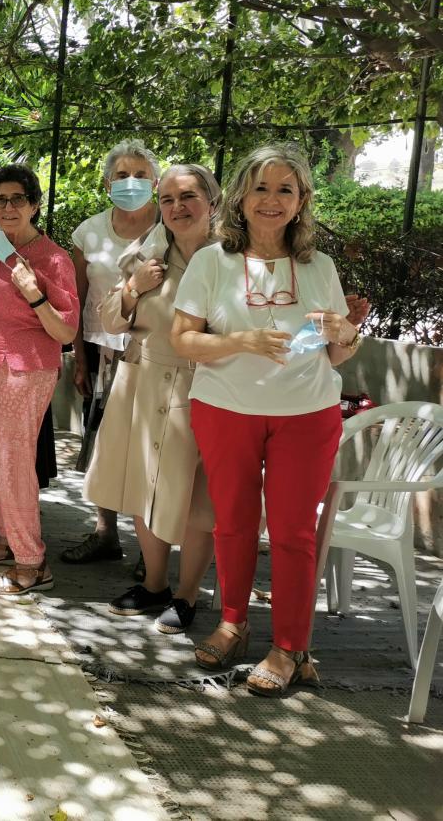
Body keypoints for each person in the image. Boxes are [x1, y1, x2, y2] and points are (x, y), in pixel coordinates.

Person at [172, 143, 362, 696]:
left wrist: (346, 334)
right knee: (232, 523)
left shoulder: (319, 266)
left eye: (285, 189)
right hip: (225, 409)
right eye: (261, 187)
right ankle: (233, 622)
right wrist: (241, 341)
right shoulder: (212, 261)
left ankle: (291, 648)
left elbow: (335, 353)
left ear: (302, 200)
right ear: (241, 197)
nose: (271, 199)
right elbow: (182, 340)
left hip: (306, 415)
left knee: (293, 533)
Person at [83, 164, 220, 634]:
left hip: (205, 385)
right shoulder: (147, 253)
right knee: (144, 486)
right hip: (143, 380)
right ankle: (155, 584)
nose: (177, 207)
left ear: (212, 202)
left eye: (188, 197)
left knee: (197, 498)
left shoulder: (232, 258)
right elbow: (111, 320)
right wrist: (132, 288)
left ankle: (188, 594)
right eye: (167, 199)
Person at [0, 164, 79, 594]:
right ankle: (8, 539)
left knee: (13, 461)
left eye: (17, 199)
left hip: (24, 367)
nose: (8, 207)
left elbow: (66, 331)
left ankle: (31, 563)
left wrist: (34, 292)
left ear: (34, 205)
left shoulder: (54, 259)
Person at [63, 139, 162, 566]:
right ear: (107, 183)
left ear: (155, 183)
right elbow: (77, 298)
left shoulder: (171, 227)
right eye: (121, 175)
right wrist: (79, 359)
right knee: (103, 443)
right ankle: (105, 532)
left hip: (155, 352)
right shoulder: (88, 231)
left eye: (140, 175)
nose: (130, 182)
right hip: (102, 349)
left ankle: (152, 547)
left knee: (150, 448)